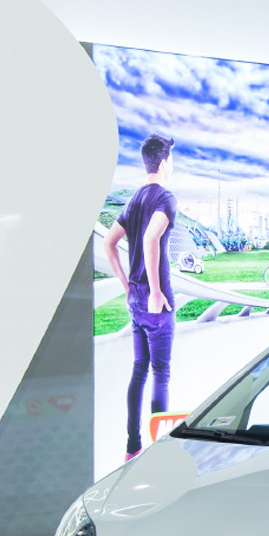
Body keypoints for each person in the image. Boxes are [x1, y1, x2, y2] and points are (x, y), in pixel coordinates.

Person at [104, 135, 176, 458]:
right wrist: (156, 292)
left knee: (139, 371)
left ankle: (132, 448)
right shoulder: (165, 198)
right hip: (156, 305)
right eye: (171, 160)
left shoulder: (134, 200)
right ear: (163, 162)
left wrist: (126, 285)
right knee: (161, 373)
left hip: (135, 302)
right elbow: (150, 239)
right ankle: (159, 452)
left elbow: (109, 242)